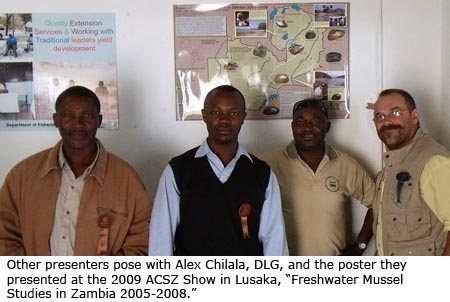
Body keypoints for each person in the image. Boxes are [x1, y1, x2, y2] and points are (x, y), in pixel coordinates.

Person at [0, 86, 151, 255]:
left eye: (87, 116)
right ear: (56, 119)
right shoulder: (22, 175)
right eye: (67, 115)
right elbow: (5, 236)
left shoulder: (127, 180)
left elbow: (141, 242)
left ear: (99, 120)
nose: (78, 124)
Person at [149, 85, 288, 256]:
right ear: (204, 115)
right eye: (216, 113)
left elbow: (274, 240)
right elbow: (161, 240)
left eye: (234, 113)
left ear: (243, 117)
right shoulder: (178, 170)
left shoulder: (261, 173)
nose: (224, 120)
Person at [261, 98, 375, 256]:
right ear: (293, 127)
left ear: (327, 127)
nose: (307, 128)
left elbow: (378, 203)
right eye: (300, 122)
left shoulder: (346, 165)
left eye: (315, 122)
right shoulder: (269, 163)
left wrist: (360, 246)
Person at [372, 88, 450, 256]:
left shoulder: (433, 162)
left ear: (414, 117)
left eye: (396, 112)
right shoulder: (391, 167)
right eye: (380, 117)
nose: (387, 122)